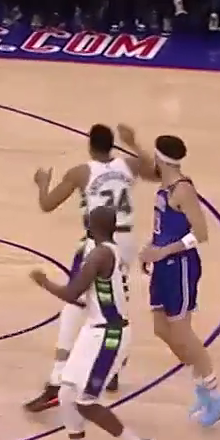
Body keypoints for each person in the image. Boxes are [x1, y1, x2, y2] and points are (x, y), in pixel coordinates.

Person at [29, 205, 155, 440]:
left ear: (91, 226)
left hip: (110, 334)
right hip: (94, 329)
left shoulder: (100, 255)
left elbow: (72, 292)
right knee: (66, 394)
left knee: (86, 402)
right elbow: (83, 297)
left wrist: (44, 282)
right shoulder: (106, 252)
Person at [117, 126, 220, 426]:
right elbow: (148, 173)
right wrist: (151, 248)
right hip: (163, 264)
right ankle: (203, 383)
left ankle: (217, 391)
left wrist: (163, 251)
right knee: (161, 329)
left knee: (182, 333)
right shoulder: (165, 183)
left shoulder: (182, 190)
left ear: (161, 159)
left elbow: (200, 234)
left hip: (180, 266)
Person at [25, 124, 137, 413]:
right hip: (126, 241)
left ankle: (56, 381)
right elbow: (157, 170)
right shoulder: (128, 166)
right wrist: (134, 143)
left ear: (90, 144)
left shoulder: (80, 172)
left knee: (74, 306)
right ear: (113, 144)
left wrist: (42, 183)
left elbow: (47, 204)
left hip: (98, 241)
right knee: (115, 298)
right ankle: (112, 369)